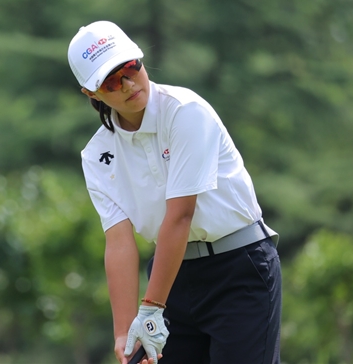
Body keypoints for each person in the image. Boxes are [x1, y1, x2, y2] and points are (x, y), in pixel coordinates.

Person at [67, 21, 282, 364]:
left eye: (130, 67)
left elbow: (181, 215)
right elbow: (119, 242)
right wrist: (124, 332)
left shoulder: (185, 111)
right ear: (91, 94)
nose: (127, 84)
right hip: (172, 278)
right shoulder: (97, 155)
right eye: (110, 81)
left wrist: (151, 309)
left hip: (239, 270)